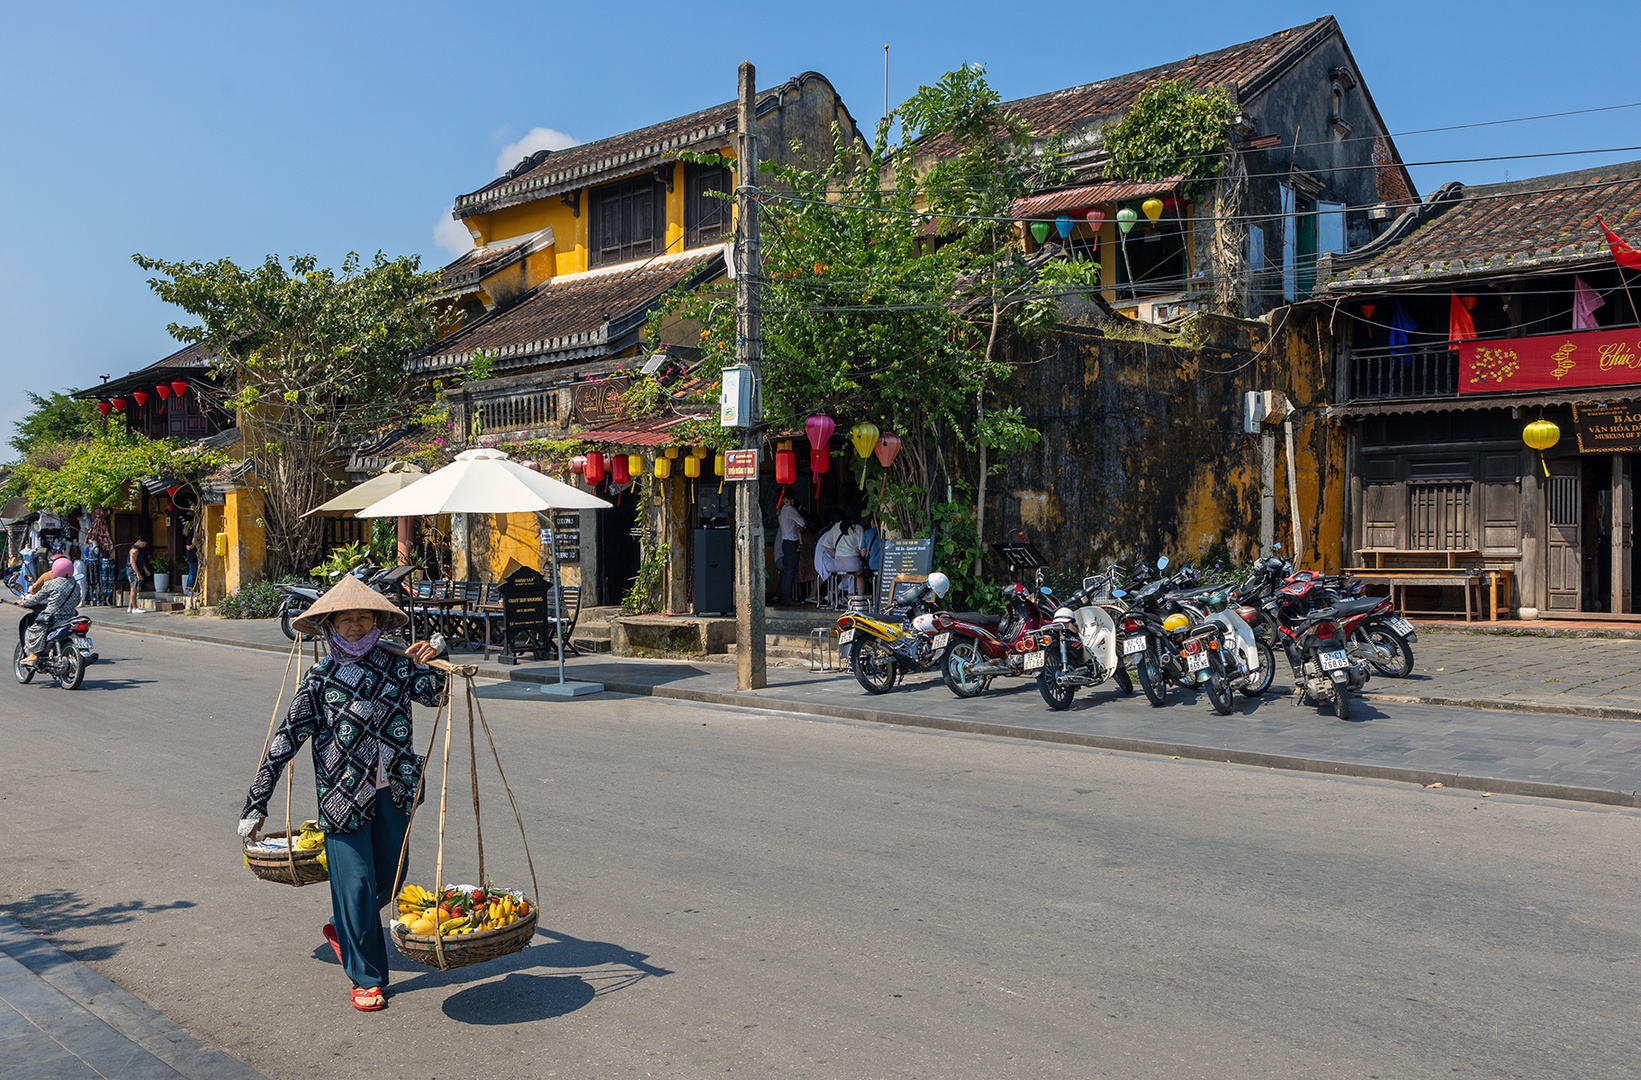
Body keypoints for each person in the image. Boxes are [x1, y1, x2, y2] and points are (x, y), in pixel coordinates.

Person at [238, 575, 446, 1013]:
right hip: (342, 800)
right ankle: (366, 977)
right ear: (331, 625)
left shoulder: (398, 665)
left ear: (377, 622)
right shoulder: (320, 680)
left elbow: (436, 695)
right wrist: (257, 801)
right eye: (346, 619)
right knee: (356, 886)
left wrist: (435, 656)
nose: (356, 626)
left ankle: (342, 928)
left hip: (396, 791)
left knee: (390, 878)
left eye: (364, 617)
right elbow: (284, 741)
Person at [16, 557, 79, 668]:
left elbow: (36, 598)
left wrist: (24, 603)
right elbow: (77, 601)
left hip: (52, 616)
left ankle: (34, 655)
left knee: (32, 631)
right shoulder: (75, 585)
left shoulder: (51, 583)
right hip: (70, 617)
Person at [776, 498, 808, 604]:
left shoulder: (781, 510)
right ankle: (787, 597)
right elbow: (802, 523)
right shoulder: (790, 509)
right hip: (792, 542)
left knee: (787, 571)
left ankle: (785, 596)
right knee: (791, 571)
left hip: (786, 542)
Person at [832, 516, 867, 596]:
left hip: (838, 563)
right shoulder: (858, 528)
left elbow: (827, 544)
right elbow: (862, 552)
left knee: (850, 575)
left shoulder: (836, 527)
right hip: (852, 562)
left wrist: (836, 554)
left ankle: (848, 593)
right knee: (859, 575)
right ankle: (859, 598)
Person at [126, 537, 150, 613]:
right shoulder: (134, 550)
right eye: (143, 544)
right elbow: (132, 562)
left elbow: (141, 561)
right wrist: (137, 573)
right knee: (133, 589)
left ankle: (130, 606)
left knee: (137, 588)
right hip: (133, 571)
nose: (143, 546)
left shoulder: (139, 550)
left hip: (138, 569)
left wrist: (145, 570)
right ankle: (134, 608)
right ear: (139, 541)